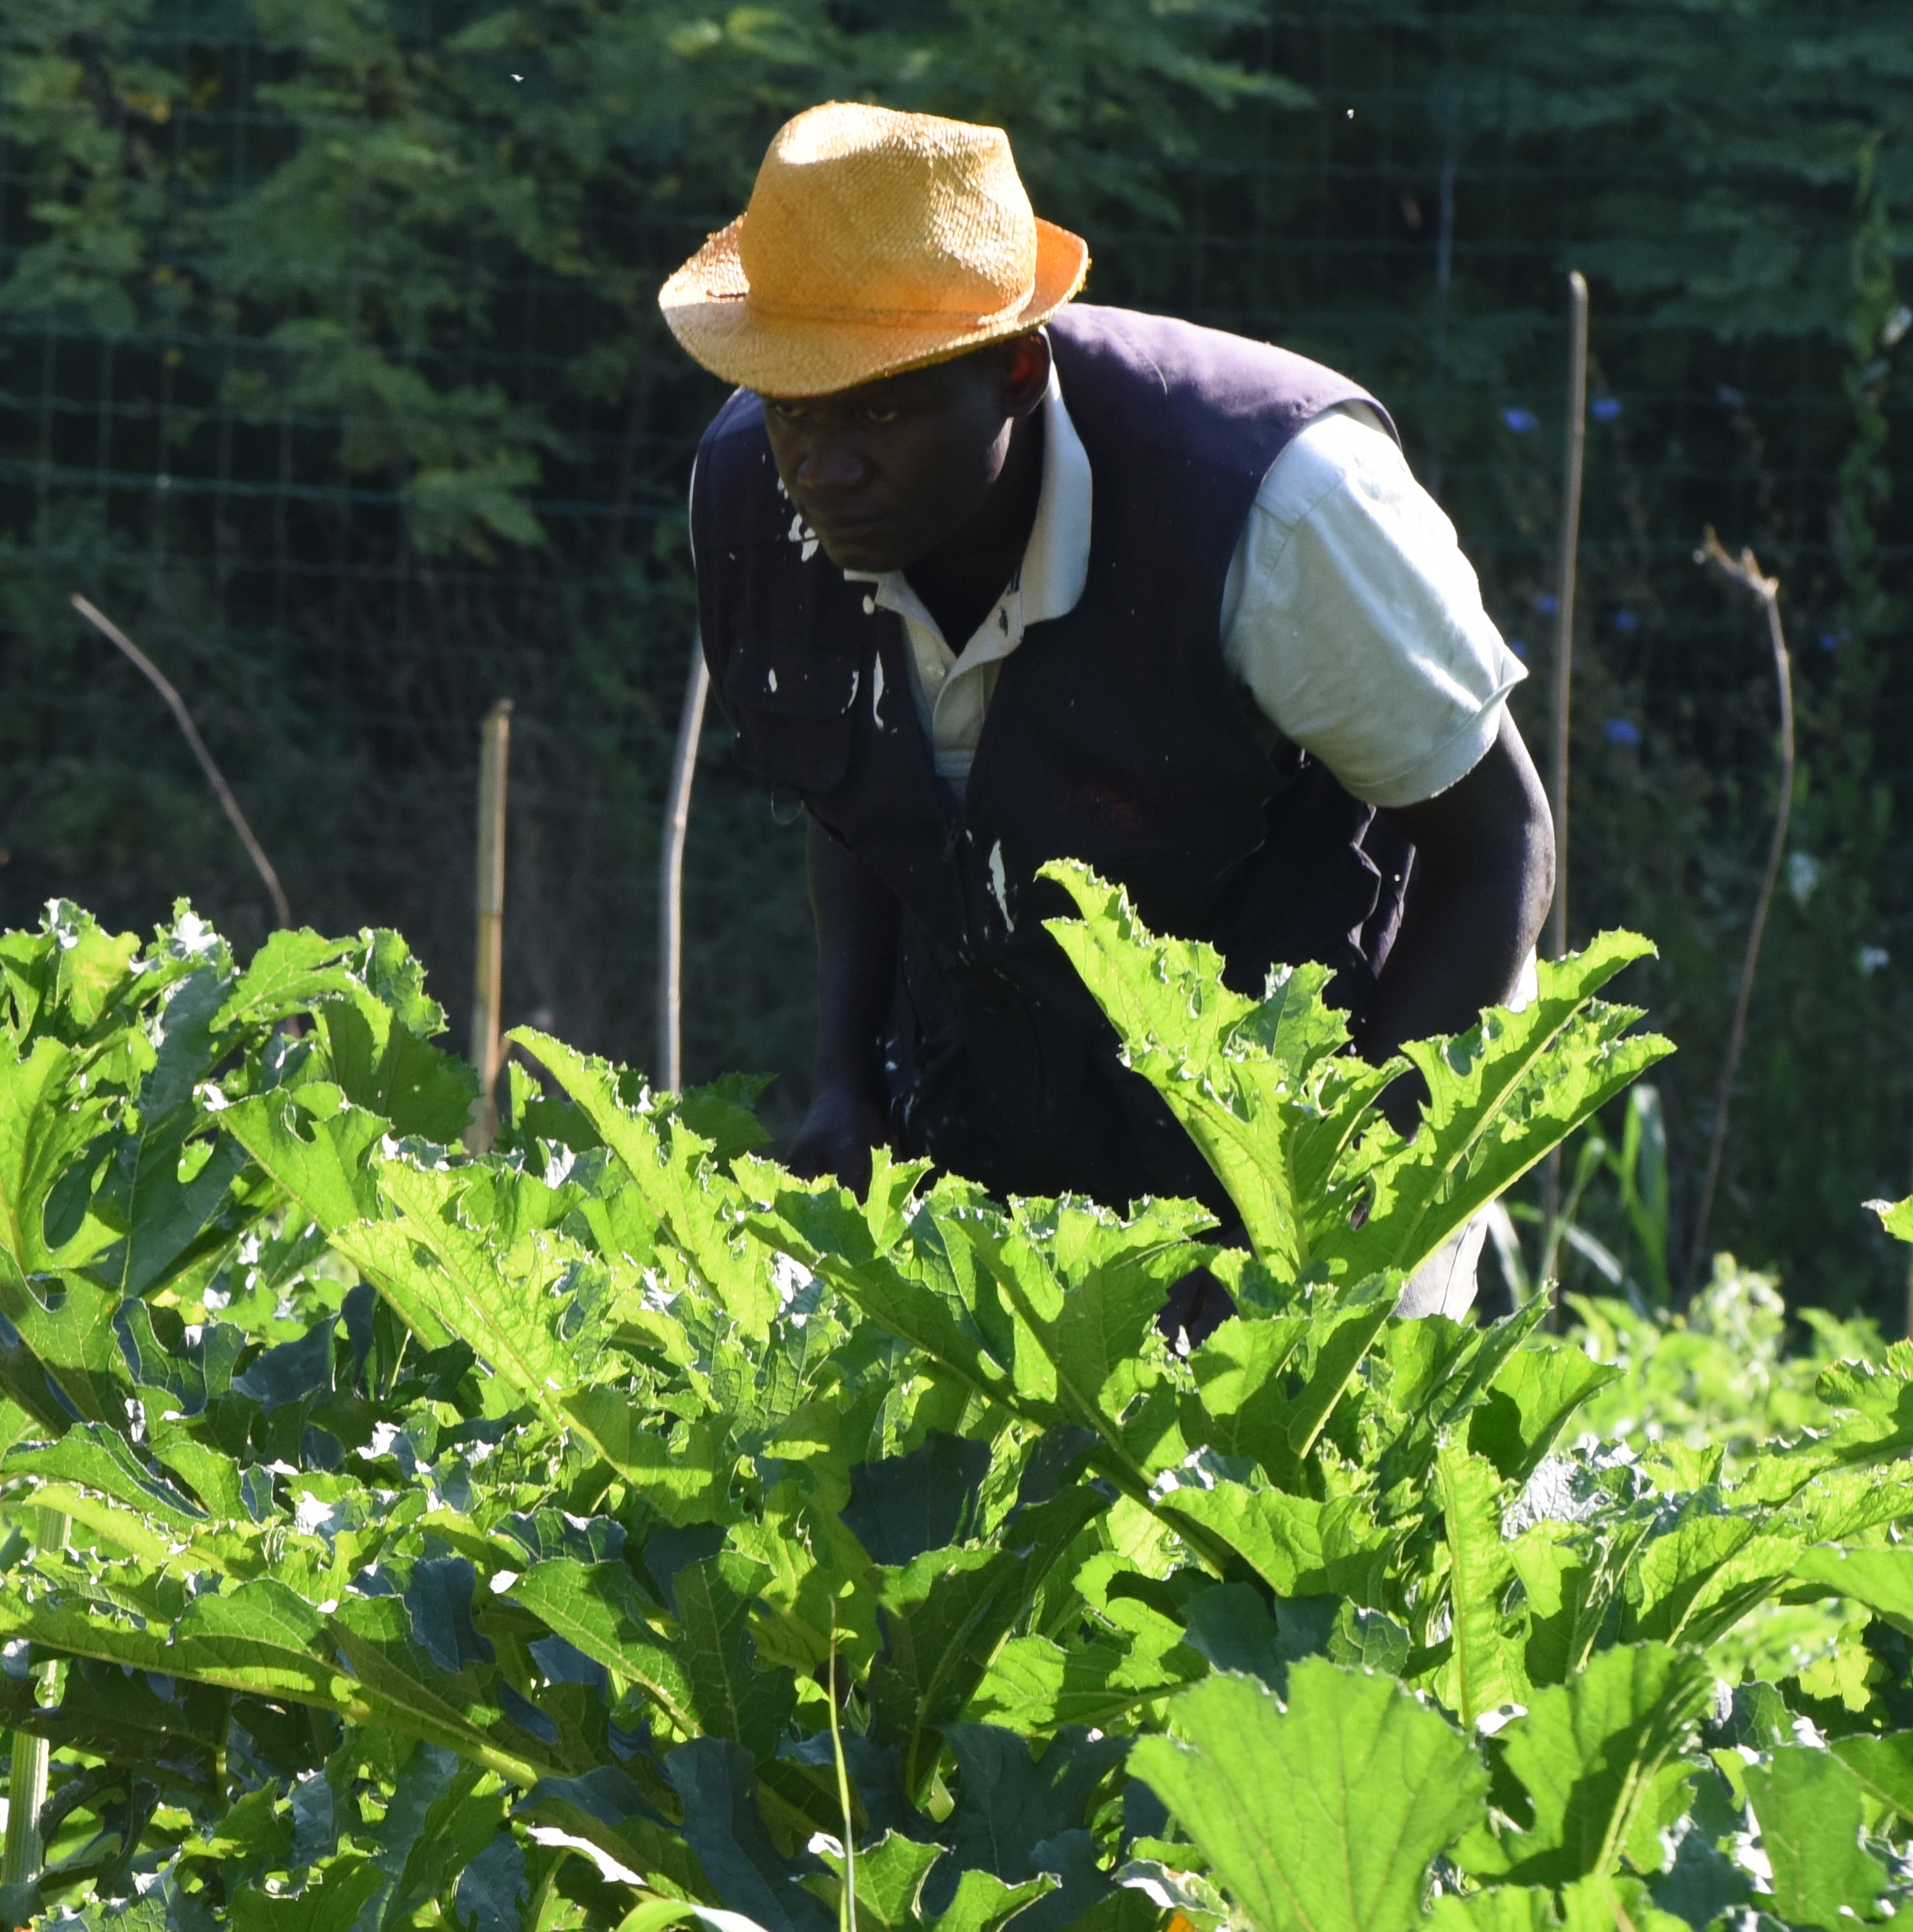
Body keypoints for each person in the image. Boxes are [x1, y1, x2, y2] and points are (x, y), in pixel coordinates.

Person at [663, 106, 1556, 1287]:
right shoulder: (751, 498)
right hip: (1010, 1082)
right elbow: (867, 800)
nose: (823, 466)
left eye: (879, 409)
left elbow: (1501, 851)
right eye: (793, 407)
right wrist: (846, 1084)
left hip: (1331, 1067)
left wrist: (1316, 1226)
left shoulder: (1281, 507)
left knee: (1290, 1462)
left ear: (1019, 371)